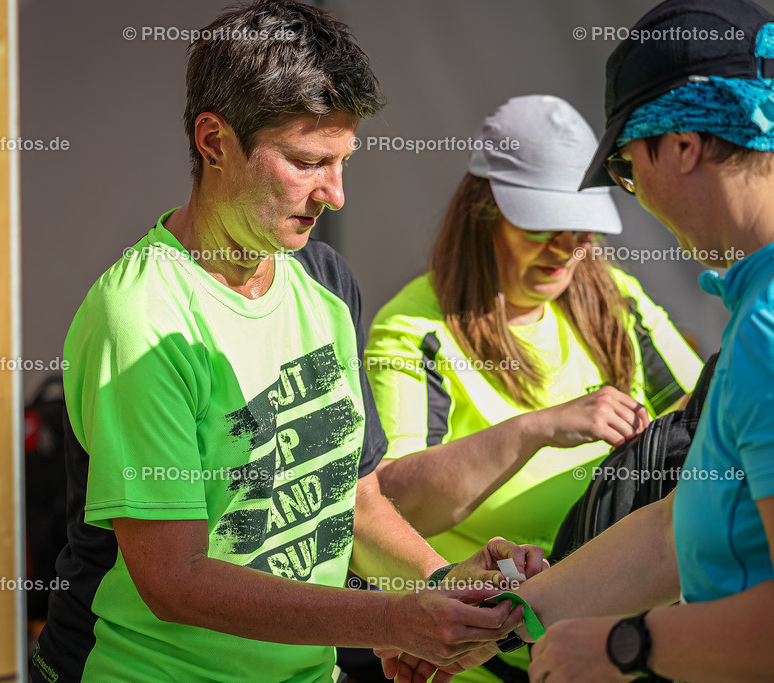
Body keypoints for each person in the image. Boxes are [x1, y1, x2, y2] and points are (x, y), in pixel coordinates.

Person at [28, 2, 545, 682]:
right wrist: (393, 620)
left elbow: (353, 500)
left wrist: (442, 583)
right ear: (213, 141)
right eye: (306, 162)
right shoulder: (142, 316)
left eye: (342, 161)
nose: (334, 193)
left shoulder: (326, 280)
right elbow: (173, 579)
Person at [377, 1, 774, 682]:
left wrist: (624, 644)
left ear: (681, 144)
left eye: (623, 167)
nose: (633, 196)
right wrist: (504, 623)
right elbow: (679, 526)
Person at [365, 94, 703, 681]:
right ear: (483, 211)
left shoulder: (615, 298)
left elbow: (705, 418)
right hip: (479, 661)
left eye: (584, 231)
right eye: (542, 227)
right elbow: (389, 505)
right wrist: (538, 429)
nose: (566, 251)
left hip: (609, 646)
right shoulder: (417, 328)